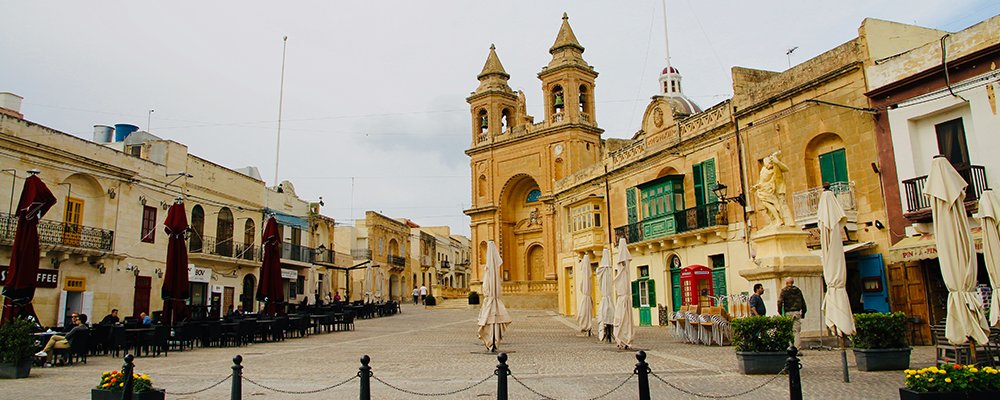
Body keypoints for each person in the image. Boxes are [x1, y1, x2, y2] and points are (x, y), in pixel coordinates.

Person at [776, 277, 807, 350]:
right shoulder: (798, 290)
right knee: (796, 332)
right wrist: (803, 313)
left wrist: (780, 312)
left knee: (789, 331)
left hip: (788, 313)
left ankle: (790, 348)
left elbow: (779, 302)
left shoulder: (784, 291)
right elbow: (803, 302)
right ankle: (797, 348)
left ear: (786, 283)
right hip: (796, 312)